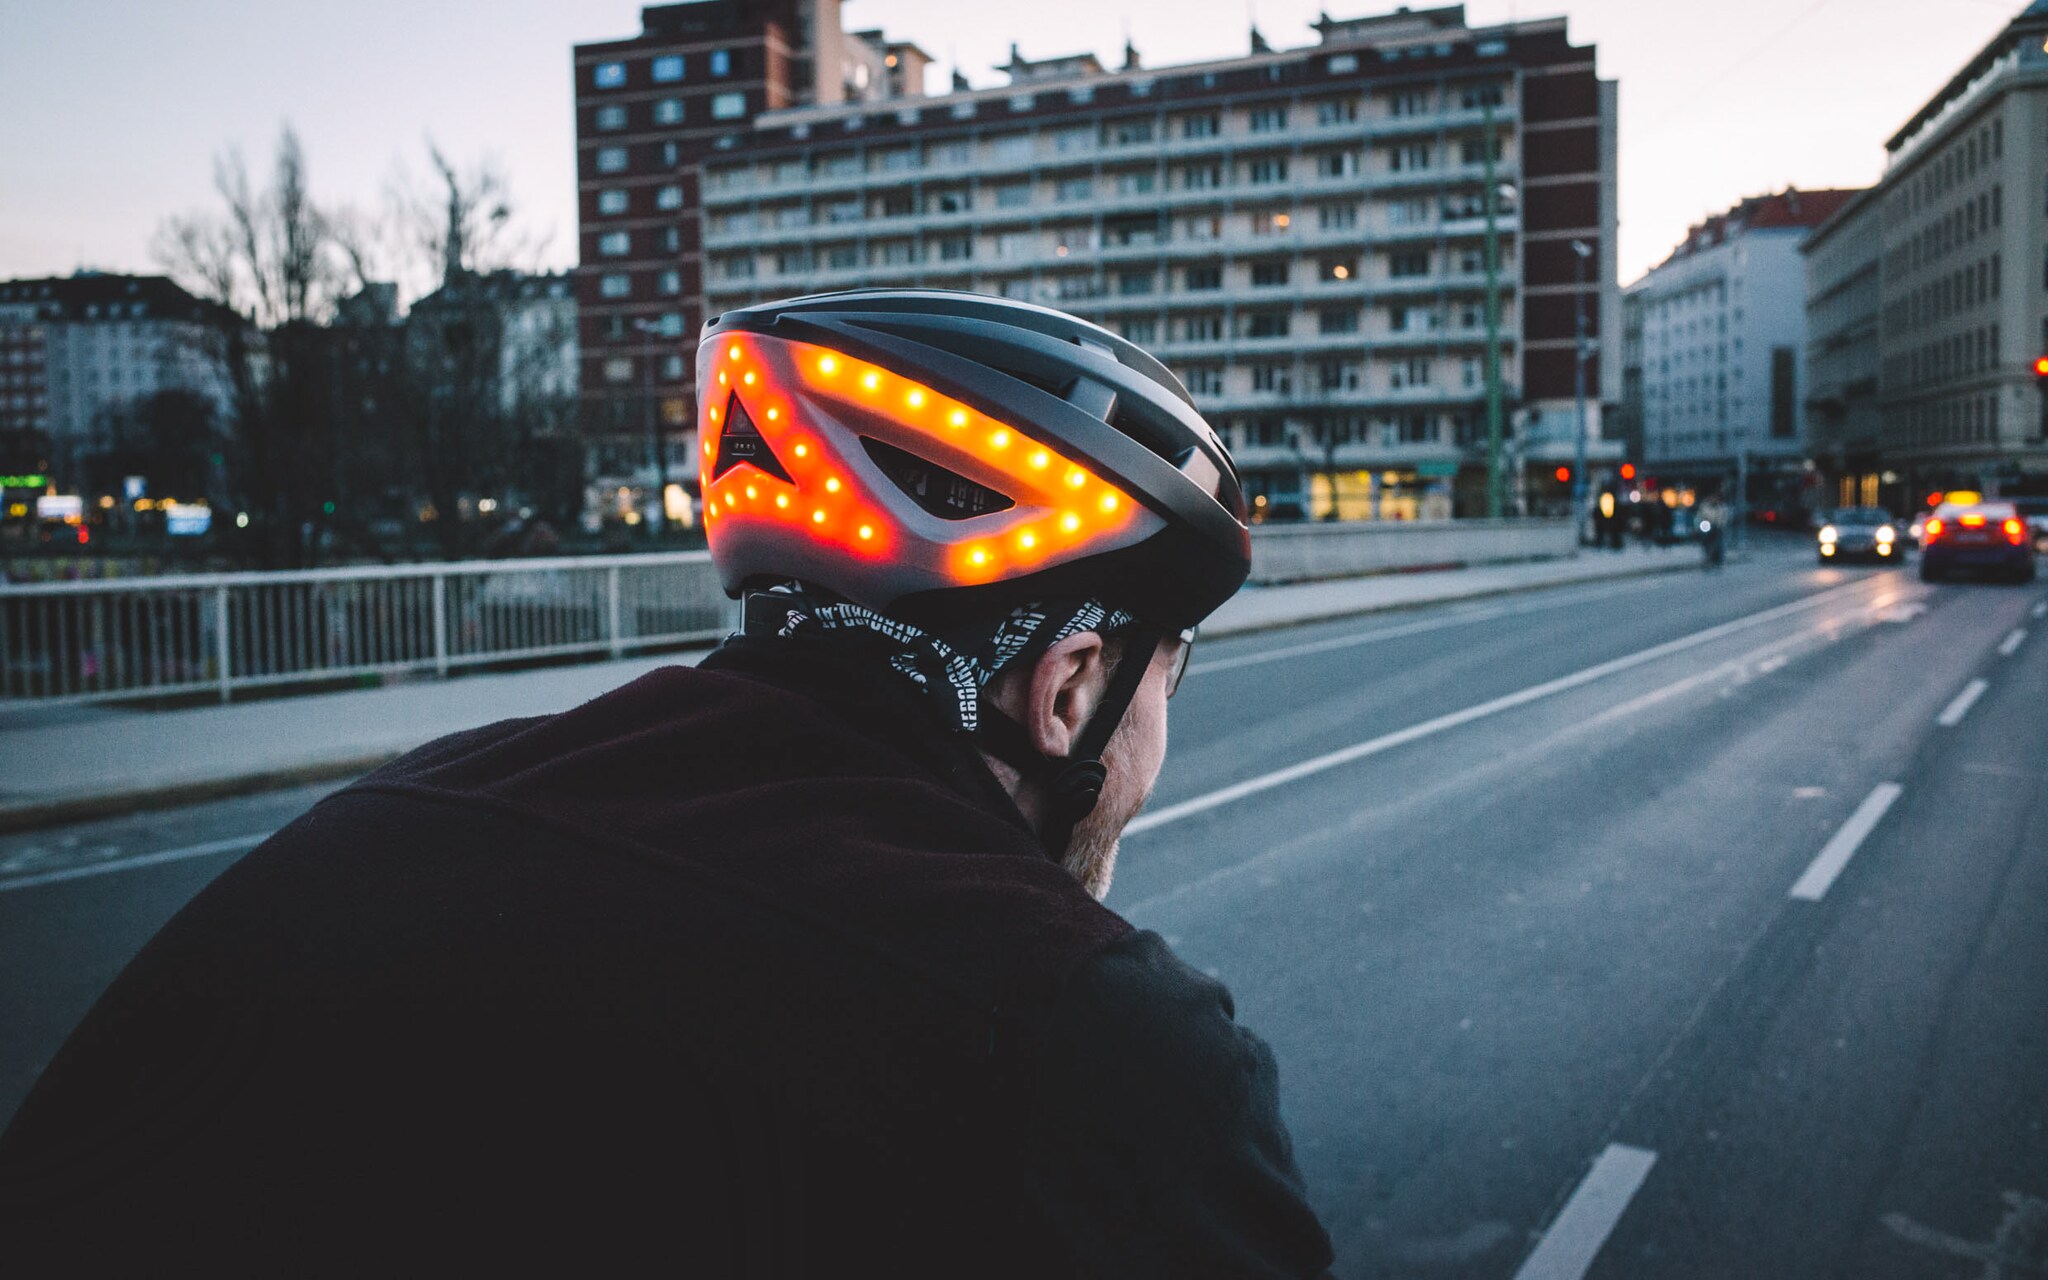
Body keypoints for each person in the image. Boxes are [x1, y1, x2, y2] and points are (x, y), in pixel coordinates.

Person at [0, 290, 1335, 1276]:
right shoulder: (1098, 1043)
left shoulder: (380, 825)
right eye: (1172, 680)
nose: (1162, 733)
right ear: (1067, 689)